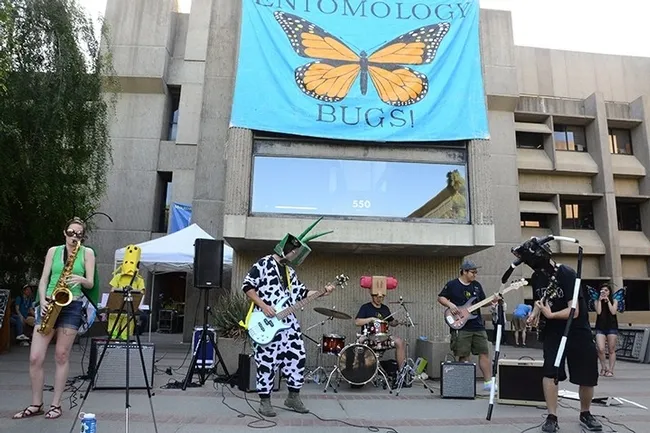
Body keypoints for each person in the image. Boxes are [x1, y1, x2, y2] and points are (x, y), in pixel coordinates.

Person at [242, 218, 334, 417]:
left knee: (298, 357)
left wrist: (322, 292)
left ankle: (293, 396)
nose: (295, 256)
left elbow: (301, 293)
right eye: (293, 252)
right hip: (266, 320)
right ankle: (264, 401)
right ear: (285, 249)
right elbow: (247, 286)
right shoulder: (263, 264)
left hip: (289, 323)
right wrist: (264, 306)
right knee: (266, 361)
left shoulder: (290, 272)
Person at [512, 237, 602, 432]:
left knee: (586, 375)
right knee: (550, 372)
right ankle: (552, 416)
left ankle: (585, 413)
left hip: (577, 330)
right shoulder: (537, 277)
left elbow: (574, 310)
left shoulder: (567, 274)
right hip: (553, 332)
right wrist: (535, 315)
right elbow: (540, 301)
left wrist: (550, 314)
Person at [13, 217, 98, 420]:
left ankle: (56, 404)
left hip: (72, 305)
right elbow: (43, 279)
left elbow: (91, 282)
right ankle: (36, 404)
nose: (74, 237)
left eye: (78, 234)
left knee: (61, 355)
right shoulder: (54, 251)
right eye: (71, 233)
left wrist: (82, 279)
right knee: (35, 357)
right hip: (50, 302)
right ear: (65, 232)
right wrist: (42, 300)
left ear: (82, 236)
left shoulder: (87, 253)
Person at [437, 260, 497, 392]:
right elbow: (441, 297)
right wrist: (451, 305)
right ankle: (465, 382)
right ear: (464, 271)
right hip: (461, 325)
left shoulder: (476, 286)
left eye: (476, 272)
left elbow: (482, 302)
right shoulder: (452, 284)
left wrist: (492, 302)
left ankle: (488, 382)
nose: (475, 275)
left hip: (477, 325)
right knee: (463, 354)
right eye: (473, 272)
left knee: (484, 352)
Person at [355, 289, 407, 371]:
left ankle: (402, 373)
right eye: (377, 296)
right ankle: (360, 373)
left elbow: (391, 322)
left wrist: (398, 322)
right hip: (368, 337)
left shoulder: (385, 308)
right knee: (359, 341)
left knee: (399, 342)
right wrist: (371, 319)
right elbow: (357, 322)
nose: (379, 299)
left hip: (384, 337)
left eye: (382, 297)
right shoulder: (365, 307)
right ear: (372, 296)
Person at [594, 283, 619, 377]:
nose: (604, 292)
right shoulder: (596, 301)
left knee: (611, 349)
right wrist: (600, 301)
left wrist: (608, 301)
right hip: (600, 326)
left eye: (606, 290)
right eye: (602, 290)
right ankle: (603, 367)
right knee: (600, 348)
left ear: (609, 292)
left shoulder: (614, 300)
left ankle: (611, 369)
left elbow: (613, 311)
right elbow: (599, 312)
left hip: (612, 326)